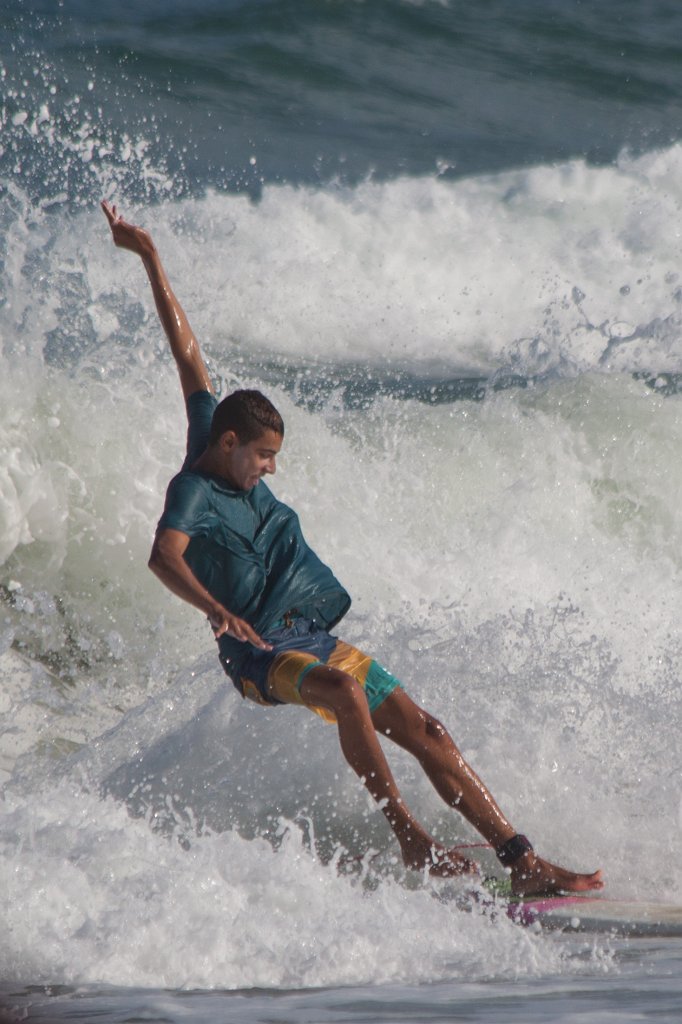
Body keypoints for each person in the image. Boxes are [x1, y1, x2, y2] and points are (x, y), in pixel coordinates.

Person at [101, 200, 603, 897]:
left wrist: (150, 259)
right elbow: (164, 556)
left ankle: (523, 861)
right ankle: (409, 840)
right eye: (264, 457)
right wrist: (217, 610)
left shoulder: (211, 427)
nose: (270, 469)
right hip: (257, 654)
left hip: (304, 632)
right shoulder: (194, 487)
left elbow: (186, 354)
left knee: (425, 727)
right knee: (342, 693)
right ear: (229, 443)